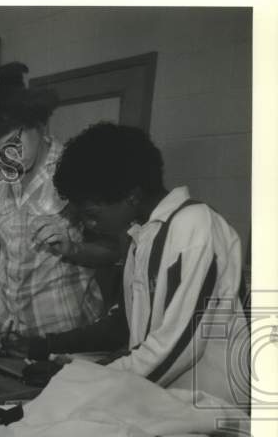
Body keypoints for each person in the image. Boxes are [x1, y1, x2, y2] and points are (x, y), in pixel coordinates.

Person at [23, 122, 248, 408]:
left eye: (91, 214)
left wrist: (84, 381)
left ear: (132, 196)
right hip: (163, 398)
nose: (88, 224)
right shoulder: (140, 236)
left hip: (208, 404)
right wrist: (53, 345)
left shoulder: (195, 228)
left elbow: (172, 350)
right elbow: (124, 326)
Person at [0, 63, 111, 342]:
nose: (5, 159)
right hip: (3, 328)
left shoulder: (78, 168)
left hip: (62, 334)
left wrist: (72, 248)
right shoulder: (0, 173)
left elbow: (113, 250)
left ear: (39, 126)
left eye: (11, 145)